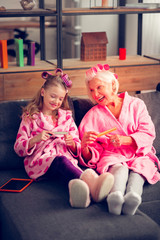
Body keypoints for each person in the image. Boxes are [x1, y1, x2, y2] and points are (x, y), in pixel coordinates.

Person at [14, 68, 114, 208]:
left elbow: (78, 145)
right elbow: (18, 148)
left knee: (66, 167)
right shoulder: (30, 117)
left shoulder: (66, 117)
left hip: (66, 162)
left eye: (60, 99)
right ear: (43, 92)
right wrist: (36, 139)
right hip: (40, 163)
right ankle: (93, 184)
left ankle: (82, 195)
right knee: (61, 160)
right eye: (53, 96)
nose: (56, 102)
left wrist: (72, 144)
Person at [78, 63, 160, 215]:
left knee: (140, 169)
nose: (95, 94)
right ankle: (115, 196)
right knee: (118, 168)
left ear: (113, 85)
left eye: (99, 87)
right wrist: (85, 147)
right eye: (91, 90)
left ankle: (132, 197)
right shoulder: (92, 115)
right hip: (112, 155)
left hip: (138, 152)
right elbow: (91, 155)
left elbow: (148, 132)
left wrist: (125, 140)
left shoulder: (136, 105)